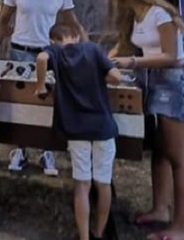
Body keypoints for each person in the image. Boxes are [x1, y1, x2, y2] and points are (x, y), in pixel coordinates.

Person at [107, 0, 184, 240]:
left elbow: (171, 56)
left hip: (175, 86)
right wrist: (105, 59)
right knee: (160, 151)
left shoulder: (159, 13)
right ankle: (160, 210)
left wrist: (132, 63)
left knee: (179, 158)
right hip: (155, 85)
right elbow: (123, 47)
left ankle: (182, 228)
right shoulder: (136, 16)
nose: (114, 3)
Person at [0, 0, 85, 176]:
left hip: (49, 53)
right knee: (20, 102)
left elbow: (74, 25)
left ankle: (47, 151)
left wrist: (87, 50)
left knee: (48, 101)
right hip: (20, 51)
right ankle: (20, 150)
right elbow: (3, 21)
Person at [35, 24, 122, 240]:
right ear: (75, 35)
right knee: (103, 182)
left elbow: (41, 59)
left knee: (82, 184)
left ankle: (83, 237)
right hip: (102, 126)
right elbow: (116, 77)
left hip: (76, 129)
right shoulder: (92, 49)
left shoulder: (56, 52)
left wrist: (40, 86)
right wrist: (95, 79)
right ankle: (99, 233)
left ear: (54, 39)